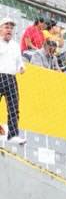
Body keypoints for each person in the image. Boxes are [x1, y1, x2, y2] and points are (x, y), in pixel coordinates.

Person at [0, 17, 27, 145]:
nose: (9, 30)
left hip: (11, 78)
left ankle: (12, 135)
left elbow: (19, 63)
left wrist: (21, 67)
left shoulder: (15, 46)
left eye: (11, 28)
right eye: (6, 27)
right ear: (0, 29)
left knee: (13, 108)